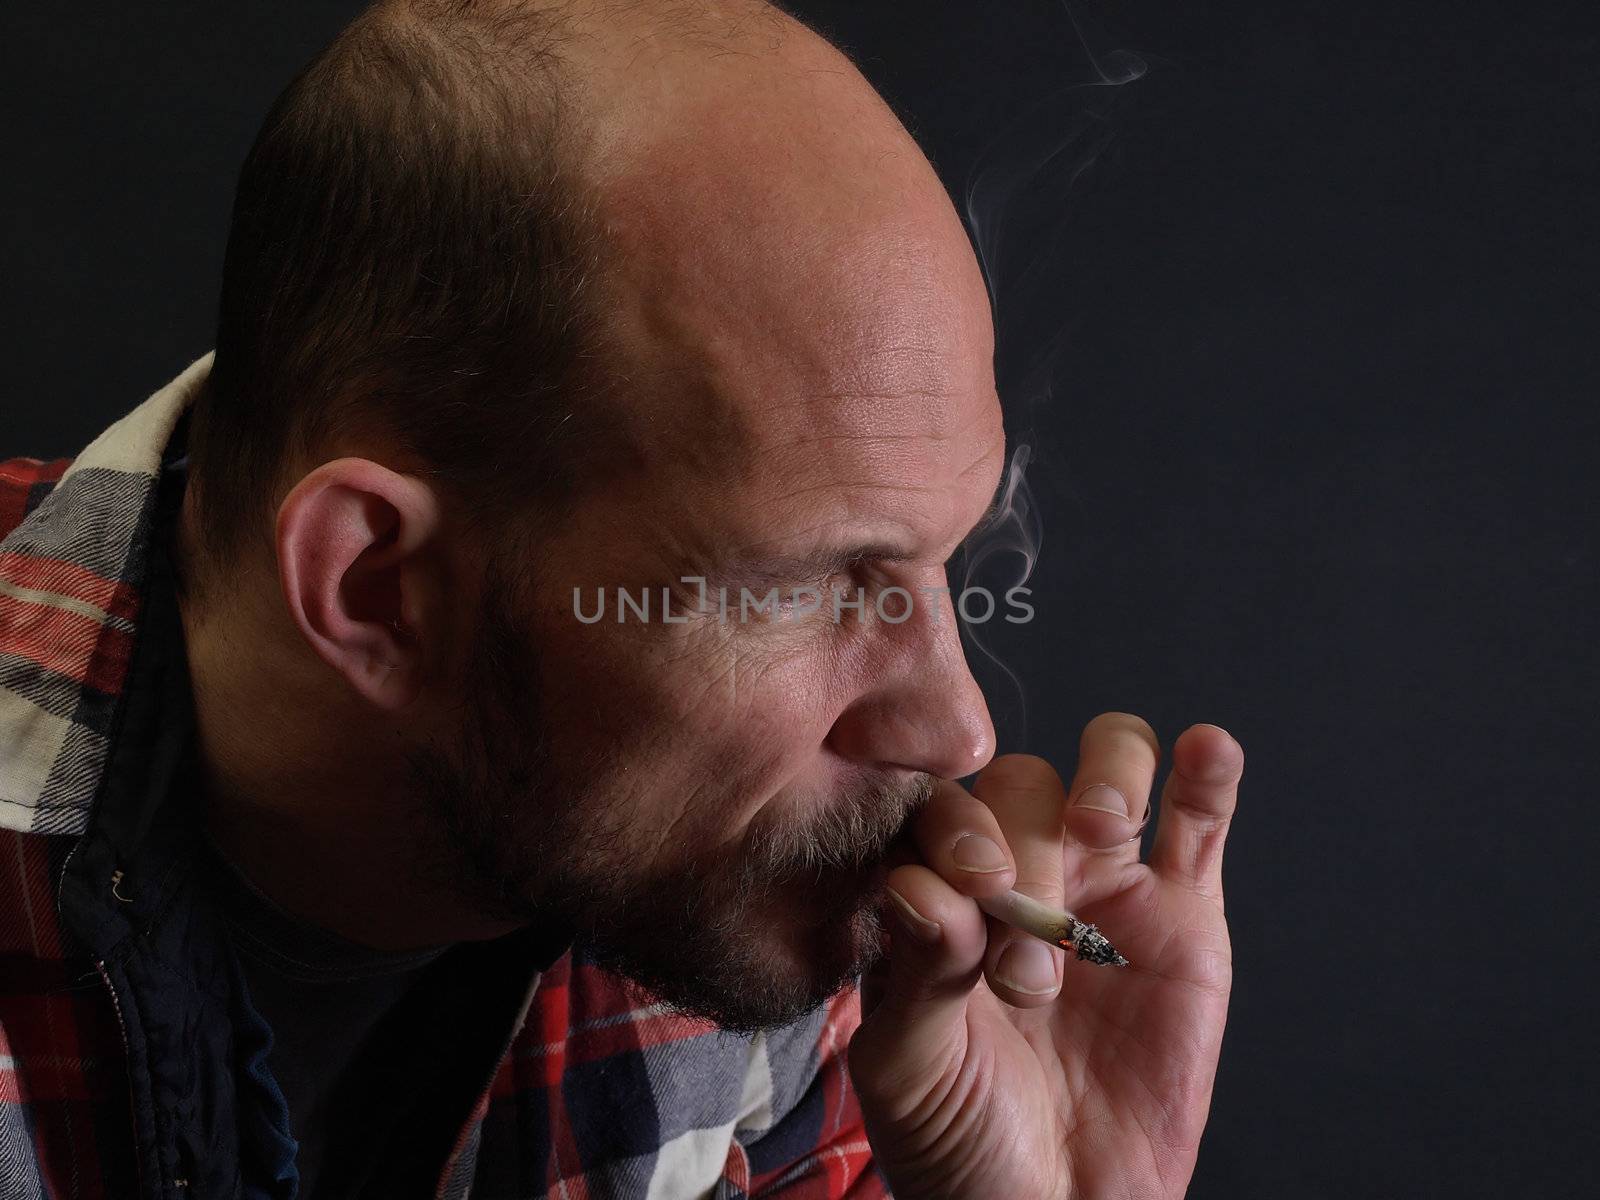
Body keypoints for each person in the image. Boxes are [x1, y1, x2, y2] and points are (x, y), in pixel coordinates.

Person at [0, 1, 1244, 1196]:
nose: (958, 732)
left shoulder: (720, 902)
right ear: (379, 587)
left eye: (942, 566)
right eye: (811, 588)